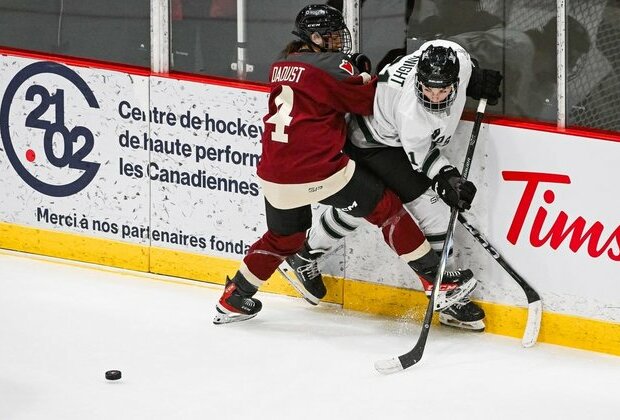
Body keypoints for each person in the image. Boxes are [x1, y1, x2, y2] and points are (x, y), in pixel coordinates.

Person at [214, 5, 476, 324]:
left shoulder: (281, 64)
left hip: (273, 171)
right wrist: (362, 74)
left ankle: (235, 296)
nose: (339, 41)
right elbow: (365, 100)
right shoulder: (329, 66)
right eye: (333, 35)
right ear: (314, 38)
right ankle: (440, 282)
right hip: (318, 169)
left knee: (285, 237)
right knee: (387, 208)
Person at [282, 39, 503, 331]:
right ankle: (447, 298)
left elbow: (441, 46)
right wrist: (448, 176)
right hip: (372, 142)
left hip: (385, 132)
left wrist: (474, 75)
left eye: (443, 90)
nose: (435, 97)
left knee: (363, 204)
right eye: (428, 89)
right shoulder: (412, 113)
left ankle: (304, 254)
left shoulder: (457, 61)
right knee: (434, 210)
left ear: (455, 79)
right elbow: (422, 157)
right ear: (418, 83)